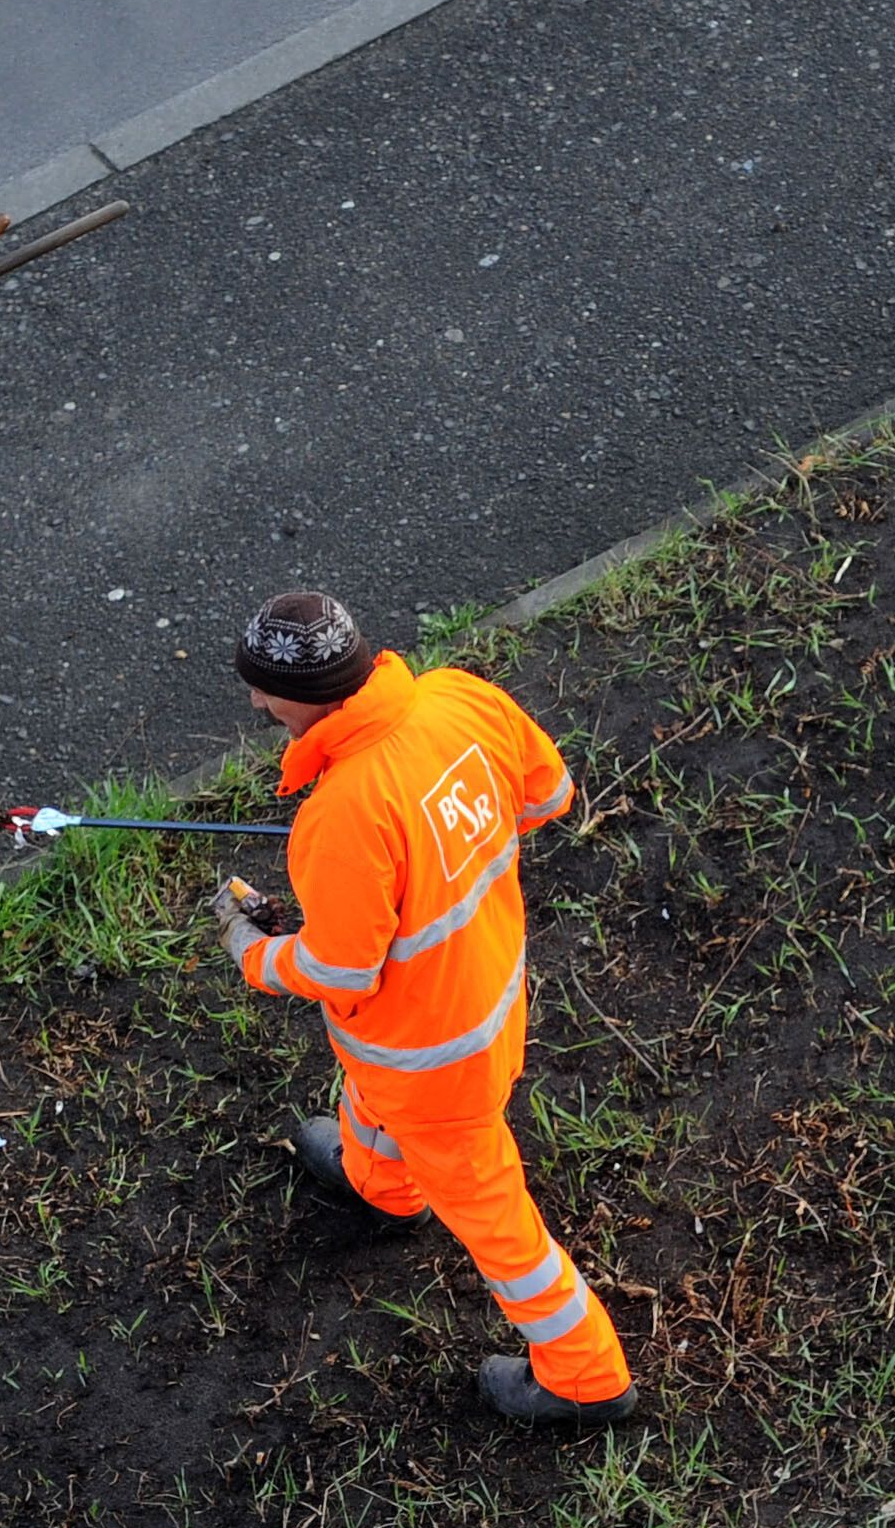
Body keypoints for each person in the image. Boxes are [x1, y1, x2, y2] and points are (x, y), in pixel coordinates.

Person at [211, 589, 641, 1426]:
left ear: (311, 694)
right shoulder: (459, 695)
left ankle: (586, 1374)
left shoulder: (340, 814)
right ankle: (382, 1183)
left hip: (429, 1062)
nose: (257, 704)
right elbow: (546, 795)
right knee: (370, 1094)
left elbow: (340, 973)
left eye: (263, 691)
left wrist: (253, 953)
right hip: (485, 996)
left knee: (495, 1221)